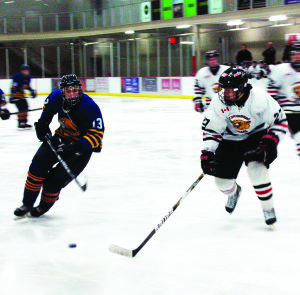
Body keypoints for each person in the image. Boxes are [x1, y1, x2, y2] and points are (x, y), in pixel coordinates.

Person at [201, 67, 288, 225]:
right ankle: (234, 193)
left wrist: (270, 141)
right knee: (221, 183)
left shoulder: (259, 98)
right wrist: (209, 151)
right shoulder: (218, 102)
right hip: (229, 140)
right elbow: (212, 129)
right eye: (224, 89)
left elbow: (280, 121)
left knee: (257, 171)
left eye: (230, 90)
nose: (225, 93)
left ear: (241, 88)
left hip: (255, 136)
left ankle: (268, 208)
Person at [14, 74, 105, 218]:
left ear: (80, 90)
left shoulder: (89, 107)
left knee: (54, 181)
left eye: (75, 90)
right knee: (37, 166)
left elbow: (97, 134)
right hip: (60, 138)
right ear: (62, 92)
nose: (72, 94)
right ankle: (27, 204)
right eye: (68, 91)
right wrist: (43, 124)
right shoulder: (56, 97)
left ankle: (43, 207)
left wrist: (75, 147)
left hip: (81, 148)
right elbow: (47, 110)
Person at [267, 43, 300, 157]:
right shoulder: (281, 70)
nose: (297, 56)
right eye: (295, 54)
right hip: (289, 110)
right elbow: (271, 88)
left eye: (299, 54)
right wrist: (274, 108)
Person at [10, 64, 36, 129]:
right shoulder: (17, 77)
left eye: (27, 70)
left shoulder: (28, 77)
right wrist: (12, 96)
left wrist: (32, 91)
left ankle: (24, 122)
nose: (26, 72)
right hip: (16, 95)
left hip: (22, 95)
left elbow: (27, 86)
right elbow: (14, 87)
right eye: (25, 70)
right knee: (21, 109)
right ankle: (20, 123)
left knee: (26, 107)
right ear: (22, 71)